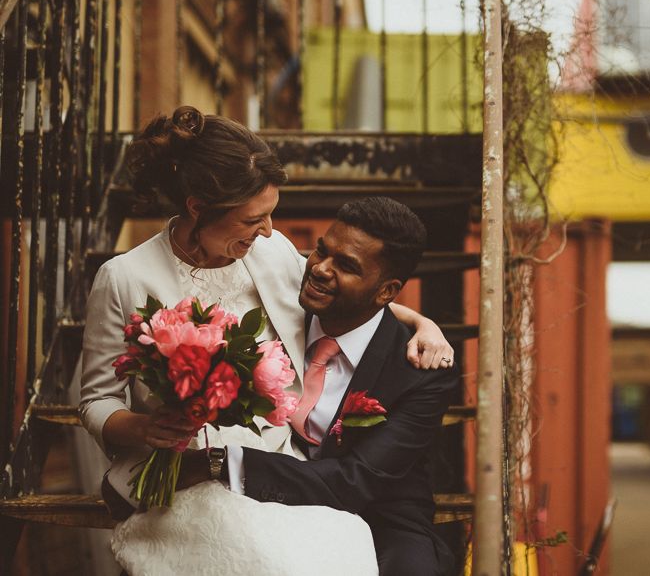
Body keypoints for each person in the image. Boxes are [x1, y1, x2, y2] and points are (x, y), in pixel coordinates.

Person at [79, 106, 454, 573]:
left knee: (340, 551)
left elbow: (337, 291)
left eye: (272, 215)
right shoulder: (123, 278)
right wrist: (143, 429)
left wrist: (421, 322)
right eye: (253, 219)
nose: (269, 230)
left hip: (278, 459)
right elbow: (96, 400)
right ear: (198, 207)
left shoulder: (270, 252)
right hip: (179, 469)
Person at [156, 197, 458, 575]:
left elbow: (357, 481)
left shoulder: (421, 371)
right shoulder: (270, 316)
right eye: (321, 250)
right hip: (264, 503)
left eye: (346, 266)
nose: (320, 269)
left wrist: (219, 463)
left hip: (378, 514)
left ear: (385, 291)